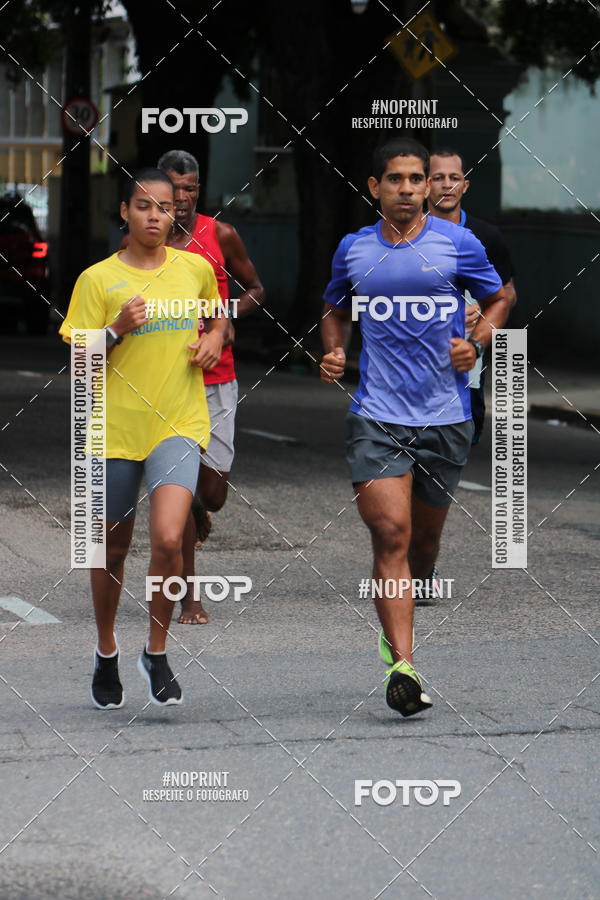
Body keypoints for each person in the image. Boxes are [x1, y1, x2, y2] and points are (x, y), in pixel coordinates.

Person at [320, 137, 509, 717]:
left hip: (446, 417)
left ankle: (405, 607)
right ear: (374, 187)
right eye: (395, 179)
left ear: (429, 186)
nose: (407, 188)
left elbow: (500, 297)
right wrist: (332, 349)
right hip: (377, 415)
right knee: (391, 533)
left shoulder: (458, 244)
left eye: (416, 179)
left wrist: (475, 344)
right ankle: (402, 666)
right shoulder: (353, 250)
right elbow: (334, 306)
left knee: (422, 546)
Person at [59, 168, 227, 709]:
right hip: (109, 429)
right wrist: (114, 330)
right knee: (110, 548)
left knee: (169, 540)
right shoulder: (97, 280)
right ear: (125, 214)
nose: (156, 215)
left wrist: (214, 339)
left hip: (178, 422)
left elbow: (218, 318)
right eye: (143, 206)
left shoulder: (195, 269)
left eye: (165, 207)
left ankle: (156, 650)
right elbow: (78, 363)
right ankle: (107, 648)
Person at [156, 150, 265, 625]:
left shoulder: (219, 233)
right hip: (167, 380)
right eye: (174, 189)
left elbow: (256, 288)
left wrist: (228, 318)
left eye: (191, 189)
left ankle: (201, 508)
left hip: (218, 378)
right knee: (177, 491)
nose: (181, 199)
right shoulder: (145, 239)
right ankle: (190, 598)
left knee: (213, 494)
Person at [427, 147, 517, 444]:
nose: (447, 184)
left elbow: (507, 295)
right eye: (438, 177)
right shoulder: (403, 233)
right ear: (425, 183)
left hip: (466, 360)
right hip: (411, 359)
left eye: (454, 177)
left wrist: (481, 310)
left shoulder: (486, 236)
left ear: (465, 185)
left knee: (459, 441)